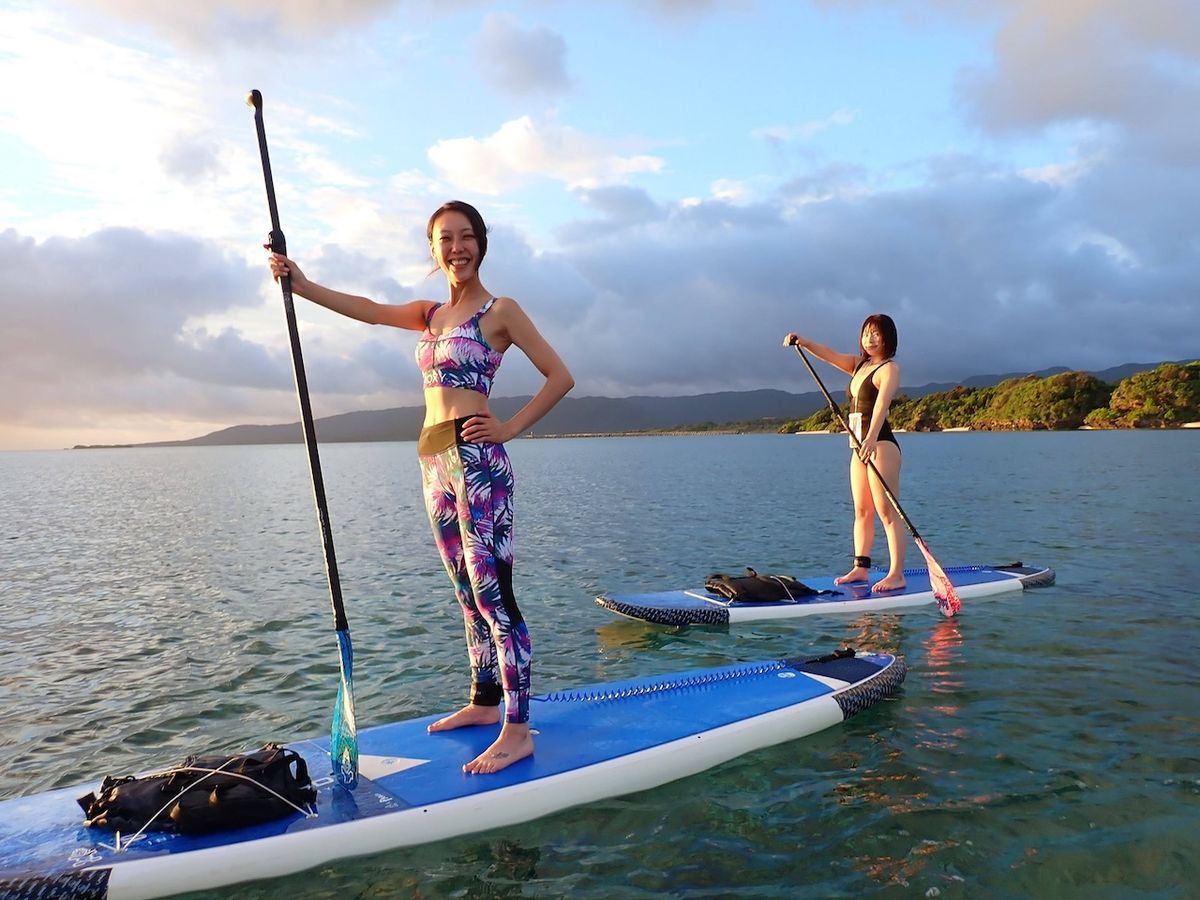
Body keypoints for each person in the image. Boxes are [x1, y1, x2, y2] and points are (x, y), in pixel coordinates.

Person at [268, 201, 574, 774]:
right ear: (433, 249)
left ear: (481, 243)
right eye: (444, 240)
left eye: (466, 237)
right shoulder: (429, 314)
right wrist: (302, 284)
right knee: (464, 594)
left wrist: (508, 427)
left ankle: (517, 727)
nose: (456, 248)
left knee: (493, 596)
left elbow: (561, 376)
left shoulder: (499, 310)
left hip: (478, 457)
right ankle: (485, 703)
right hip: (432, 458)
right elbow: (367, 309)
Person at [784, 314, 906, 592]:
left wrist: (872, 439)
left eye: (876, 334)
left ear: (888, 337)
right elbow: (828, 355)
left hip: (881, 444)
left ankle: (897, 573)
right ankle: (860, 569)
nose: (870, 339)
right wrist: (803, 341)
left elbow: (881, 406)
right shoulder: (858, 364)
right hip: (858, 445)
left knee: (887, 511)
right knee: (862, 511)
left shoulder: (889, 369)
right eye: (866, 333)